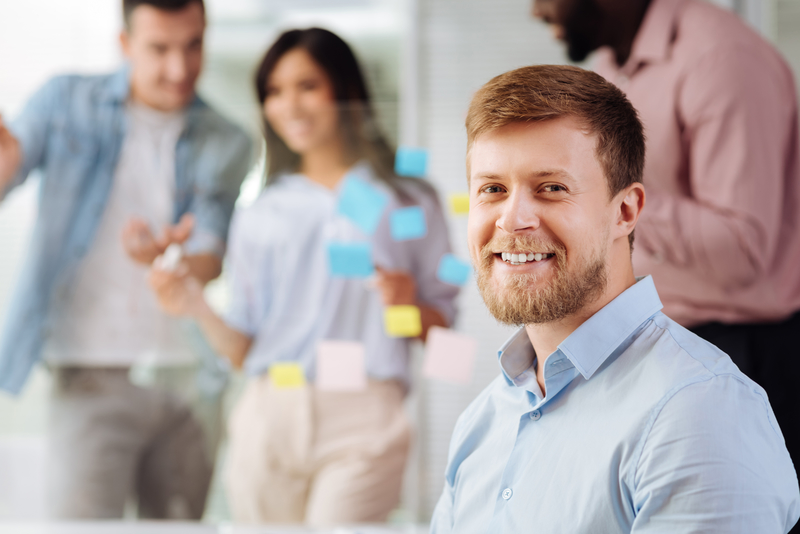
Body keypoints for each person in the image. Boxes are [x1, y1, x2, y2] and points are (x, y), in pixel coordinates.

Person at [430, 64, 800, 533]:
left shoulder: (698, 412)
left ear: (626, 211)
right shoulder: (483, 420)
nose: (511, 220)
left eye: (552, 188)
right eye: (492, 190)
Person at [149, 27, 459, 526]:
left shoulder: (409, 197)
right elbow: (243, 350)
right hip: (267, 415)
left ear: (346, 91)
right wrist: (195, 303)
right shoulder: (262, 209)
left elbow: (445, 336)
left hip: (365, 416)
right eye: (273, 92)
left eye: (307, 86)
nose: (288, 105)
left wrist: (406, 306)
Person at [532, 0, 800, 514]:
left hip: (743, 354)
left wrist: (607, 194)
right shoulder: (612, 67)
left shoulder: (723, 59)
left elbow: (742, 251)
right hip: (651, 339)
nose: (537, 11)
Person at [0, 0, 252, 519]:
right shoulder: (64, 102)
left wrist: (178, 261)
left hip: (189, 383)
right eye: (159, 49)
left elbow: (212, 251)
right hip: (91, 373)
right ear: (124, 44)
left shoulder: (228, 140)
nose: (179, 69)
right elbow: (10, 172)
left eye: (193, 45)